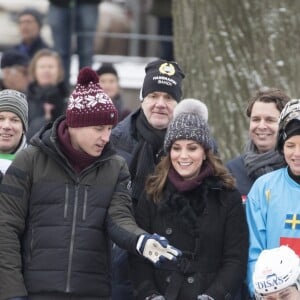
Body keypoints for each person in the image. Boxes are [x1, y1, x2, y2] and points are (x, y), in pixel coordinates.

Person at [0, 67, 181, 300]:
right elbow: (6, 227)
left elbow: (119, 218)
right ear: (75, 125)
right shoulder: (31, 160)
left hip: (91, 290)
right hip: (35, 290)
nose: (106, 137)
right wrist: (12, 291)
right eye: (99, 129)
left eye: (109, 129)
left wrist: (141, 240)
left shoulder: (115, 167)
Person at [129, 99, 249, 300]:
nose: (183, 156)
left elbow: (235, 258)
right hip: (164, 292)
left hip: (207, 292)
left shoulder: (226, 196)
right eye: (176, 148)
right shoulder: (152, 193)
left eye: (192, 148)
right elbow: (138, 256)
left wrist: (213, 295)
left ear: (204, 153)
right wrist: (149, 294)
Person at [110, 59, 185, 300]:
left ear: (178, 104)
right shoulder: (116, 142)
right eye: (154, 96)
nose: (160, 104)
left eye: (168, 98)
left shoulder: (197, 148)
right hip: (121, 269)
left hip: (176, 269)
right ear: (142, 98)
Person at [246, 98, 300, 297]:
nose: (297, 153)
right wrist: (261, 293)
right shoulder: (264, 188)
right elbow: (253, 251)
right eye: (291, 145)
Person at [227, 87, 290, 202]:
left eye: (270, 120)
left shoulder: (294, 168)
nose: (261, 126)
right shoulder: (232, 171)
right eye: (256, 119)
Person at [48, 0, 102, 85]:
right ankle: (61, 91)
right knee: (60, 53)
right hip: (58, 3)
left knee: (86, 52)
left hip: (89, 3)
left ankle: (85, 91)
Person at [26, 49, 69, 139]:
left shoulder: (69, 100)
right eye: (42, 67)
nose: (46, 70)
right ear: (34, 71)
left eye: (51, 67)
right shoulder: (24, 99)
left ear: (59, 71)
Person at [0, 89, 28, 179]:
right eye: (0, 118)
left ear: (24, 128)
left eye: (14, 120)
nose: (6, 126)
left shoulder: (36, 164)